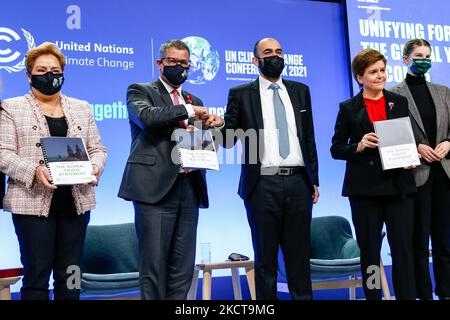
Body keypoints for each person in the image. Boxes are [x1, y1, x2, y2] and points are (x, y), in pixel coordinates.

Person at [0, 42, 107, 300]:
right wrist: (35, 171)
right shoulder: (11, 107)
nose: (50, 75)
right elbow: (3, 153)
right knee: (37, 276)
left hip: (76, 203)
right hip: (32, 205)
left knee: (71, 275)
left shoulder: (82, 107)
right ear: (29, 75)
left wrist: (96, 166)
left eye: (55, 70)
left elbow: (98, 148)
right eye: (42, 70)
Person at [118, 39, 223, 300]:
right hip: (154, 189)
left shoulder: (193, 98)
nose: (179, 67)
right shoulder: (140, 91)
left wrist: (212, 125)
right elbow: (148, 118)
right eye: (173, 62)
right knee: (153, 266)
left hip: (189, 187)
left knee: (182, 268)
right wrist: (188, 112)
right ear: (160, 63)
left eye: (184, 63)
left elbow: (202, 141)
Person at [221, 38, 319, 300]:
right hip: (262, 183)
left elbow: (308, 137)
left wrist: (314, 180)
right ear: (256, 61)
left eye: (278, 52)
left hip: (299, 181)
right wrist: (212, 126)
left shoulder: (300, 90)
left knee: (299, 257)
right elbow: (229, 137)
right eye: (268, 53)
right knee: (265, 260)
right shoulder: (241, 94)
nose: (275, 56)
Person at [330, 48, 417, 300]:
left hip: (399, 186)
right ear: (360, 77)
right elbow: (336, 148)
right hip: (364, 192)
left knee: (403, 251)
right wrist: (357, 145)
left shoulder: (398, 102)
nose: (380, 76)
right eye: (373, 72)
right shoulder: (348, 108)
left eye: (382, 70)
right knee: (369, 253)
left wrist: (411, 158)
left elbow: (406, 139)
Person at [390, 39, 450, 300]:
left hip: (444, 174)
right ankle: (423, 294)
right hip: (416, 176)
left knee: (445, 241)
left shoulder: (443, 91)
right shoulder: (393, 94)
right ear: (406, 59)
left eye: (427, 55)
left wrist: (449, 142)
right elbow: (391, 137)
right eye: (418, 55)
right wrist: (416, 148)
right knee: (418, 242)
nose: (423, 59)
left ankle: (446, 291)